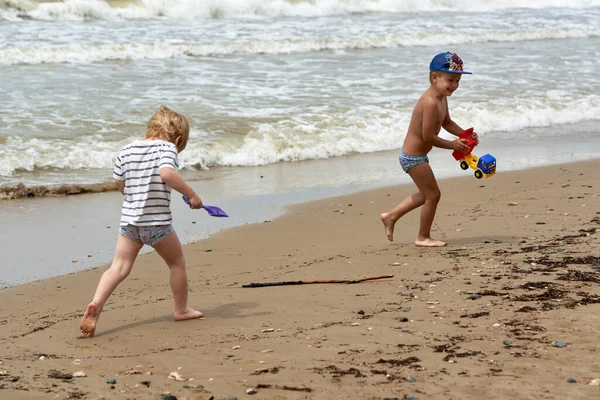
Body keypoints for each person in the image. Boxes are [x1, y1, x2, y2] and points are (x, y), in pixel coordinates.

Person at [80, 105, 204, 337]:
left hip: (130, 222)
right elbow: (167, 173)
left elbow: (118, 181)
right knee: (177, 264)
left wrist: (131, 196)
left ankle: (96, 302)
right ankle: (181, 310)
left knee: (118, 268)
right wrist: (191, 195)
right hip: (157, 224)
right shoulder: (167, 148)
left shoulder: (126, 149)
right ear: (177, 139)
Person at [380, 52, 477, 247]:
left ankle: (391, 216)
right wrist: (451, 144)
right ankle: (423, 237)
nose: (455, 85)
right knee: (433, 195)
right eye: (451, 80)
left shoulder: (441, 97)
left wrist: (464, 135)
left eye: (458, 81)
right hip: (412, 158)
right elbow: (428, 137)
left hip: (418, 156)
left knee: (426, 194)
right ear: (435, 77)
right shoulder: (431, 102)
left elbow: (447, 122)